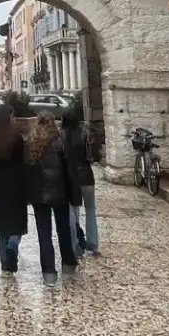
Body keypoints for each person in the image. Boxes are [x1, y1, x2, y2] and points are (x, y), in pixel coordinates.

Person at [25, 112, 79, 284]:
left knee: (44, 234)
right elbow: (69, 170)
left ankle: (49, 273)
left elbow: (26, 172)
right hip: (60, 193)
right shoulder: (60, 142)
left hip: (39, 195)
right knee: (63, 229)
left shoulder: (30, 144)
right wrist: (73, 194)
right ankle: (68, 263)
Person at [0, 103, 29, 272]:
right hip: (15, 180)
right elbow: (23, 160)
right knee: (16, 220)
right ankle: (13, 244)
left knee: (1, 221)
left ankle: (5, 262)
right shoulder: (15, 137)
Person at [62, 100, 99, 257]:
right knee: (90, 211)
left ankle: (75, 245)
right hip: (87, 177)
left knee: (73, 212)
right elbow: (92, 157)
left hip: (71, 178)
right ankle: (92, 243)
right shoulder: (85, 133)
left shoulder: (61, 137)